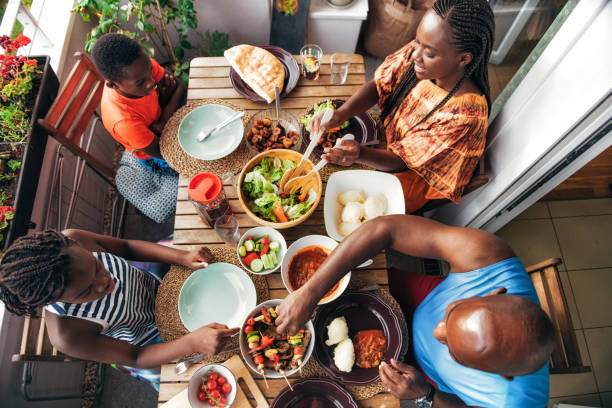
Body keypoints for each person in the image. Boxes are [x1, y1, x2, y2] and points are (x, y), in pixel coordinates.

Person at [275, 215, 554, 407]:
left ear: (502, 376)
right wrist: (310, 293)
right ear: (494, 293)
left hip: (423, 376)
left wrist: (427, 395)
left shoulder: (516, 402)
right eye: (452, 314)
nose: (437, 330)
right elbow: (386, 229)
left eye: (453, 350)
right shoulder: (488, 257)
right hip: (420, 296)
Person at [311, 0, 494, 213]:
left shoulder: (465, 117)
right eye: (417, 42)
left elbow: (403, 162)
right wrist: (342, 113)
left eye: (430, 53)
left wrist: (360, 154)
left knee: (341, 204)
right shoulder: (422, 53)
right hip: (388, 141)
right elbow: (379, 85)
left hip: (409, 178)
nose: (415, 55)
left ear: (464, 58)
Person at [0, 230, 238, 390]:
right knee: (193, 380)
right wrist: (191, 344)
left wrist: (182, 256)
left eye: (97, 266)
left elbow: (127, 247)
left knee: (193, 240)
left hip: (153, 282)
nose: (104, 282)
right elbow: (136, 357)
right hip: (150, 341)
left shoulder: (74, 238)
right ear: (54, 300)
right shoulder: (67, 335)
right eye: (86, 292)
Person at [92, 33, 185, 223]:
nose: (151, 81)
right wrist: (168, 99)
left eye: (150, 71)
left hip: (160, 129)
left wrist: (162, 122)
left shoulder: (140, 68)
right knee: (204, 165)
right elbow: (166, 151)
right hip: (154, 155)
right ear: (112, 84)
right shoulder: (123, 121)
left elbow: (181, 85)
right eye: (140, 83)